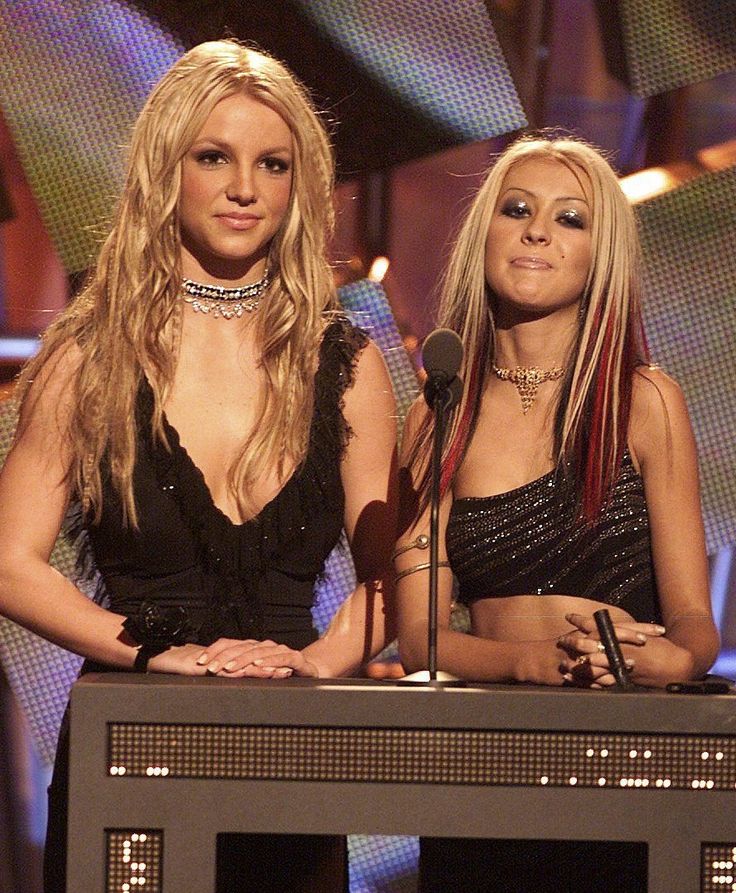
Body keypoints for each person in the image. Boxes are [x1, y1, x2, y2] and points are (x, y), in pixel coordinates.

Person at [0, 40, 397, 892]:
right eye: (213, 156)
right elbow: (7, 561)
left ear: (302, 184)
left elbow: (397, 570)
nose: (245, 188)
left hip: (294, 752)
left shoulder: (349, 366)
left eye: (273, 163)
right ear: (164, 170)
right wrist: (155, 655)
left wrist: (324, 660)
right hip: (132, 745)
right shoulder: (89, 359)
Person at [394, 134, 719, 891]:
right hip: (481, 765)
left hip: (619, 756)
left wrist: (676, 658)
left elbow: (695, 620)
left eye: (571, 219)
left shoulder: (645, 402)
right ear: (486, 237)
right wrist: (523, 664)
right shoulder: (440, 410)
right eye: (518, 209)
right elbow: (420, 637)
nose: (539, 230)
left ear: (599, 255)